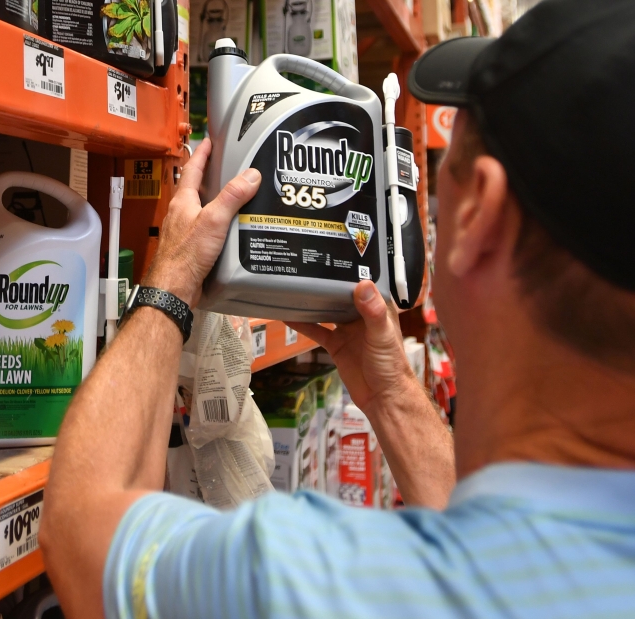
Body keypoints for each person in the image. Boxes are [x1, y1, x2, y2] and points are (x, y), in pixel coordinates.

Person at [40, 0, 635, 616]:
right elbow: (505, 551)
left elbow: (78, 534)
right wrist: (392, 394)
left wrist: (173, 277)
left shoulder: (323, 582)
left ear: (479, 215)